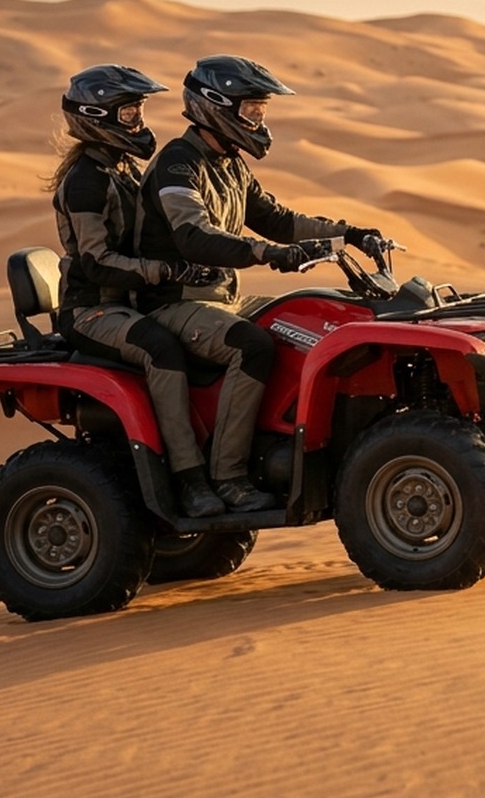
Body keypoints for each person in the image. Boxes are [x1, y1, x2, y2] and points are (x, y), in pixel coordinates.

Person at [137, 54, 384, 514]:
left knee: (309, 320)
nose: (259, 120)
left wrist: (349, 234)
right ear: (216, 106)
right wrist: (267, 255)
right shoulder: (178, 163)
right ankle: (228, 476)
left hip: (221, 298)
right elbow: (193, 236)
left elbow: (278, 219)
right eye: (252, 110)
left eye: (261, 111)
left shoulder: (229, 163)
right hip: (172, 302)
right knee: (252, 345)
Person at [48, 64, 231, 518]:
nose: (138, 122)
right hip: (92, 309)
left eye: (138, 112)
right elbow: (96, 261)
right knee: (161, 348)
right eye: (129, 114)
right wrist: (168, 271)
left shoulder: (124, 168)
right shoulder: (86, 180)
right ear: (96, 116)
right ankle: (189, 479)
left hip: (127, 304)